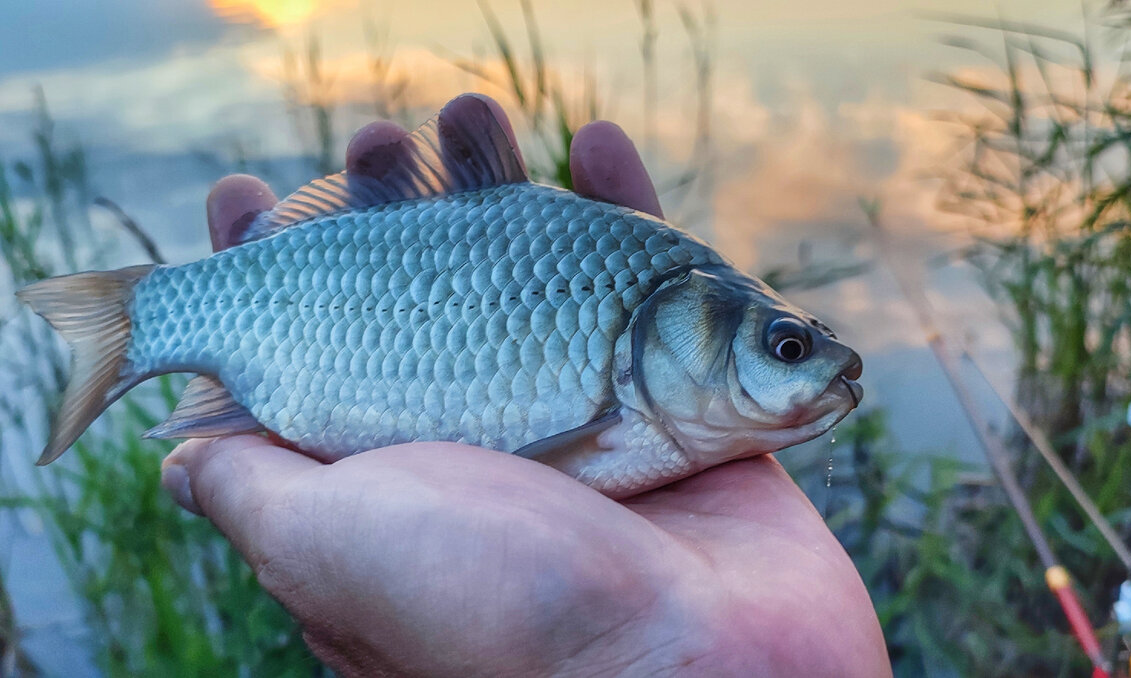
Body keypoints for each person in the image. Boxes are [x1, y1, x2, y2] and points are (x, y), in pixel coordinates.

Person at [160, 94, 891, 677]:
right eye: (786, 346)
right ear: (672, 321)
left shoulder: (652, 371)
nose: (815, 370)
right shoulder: (629, 397)